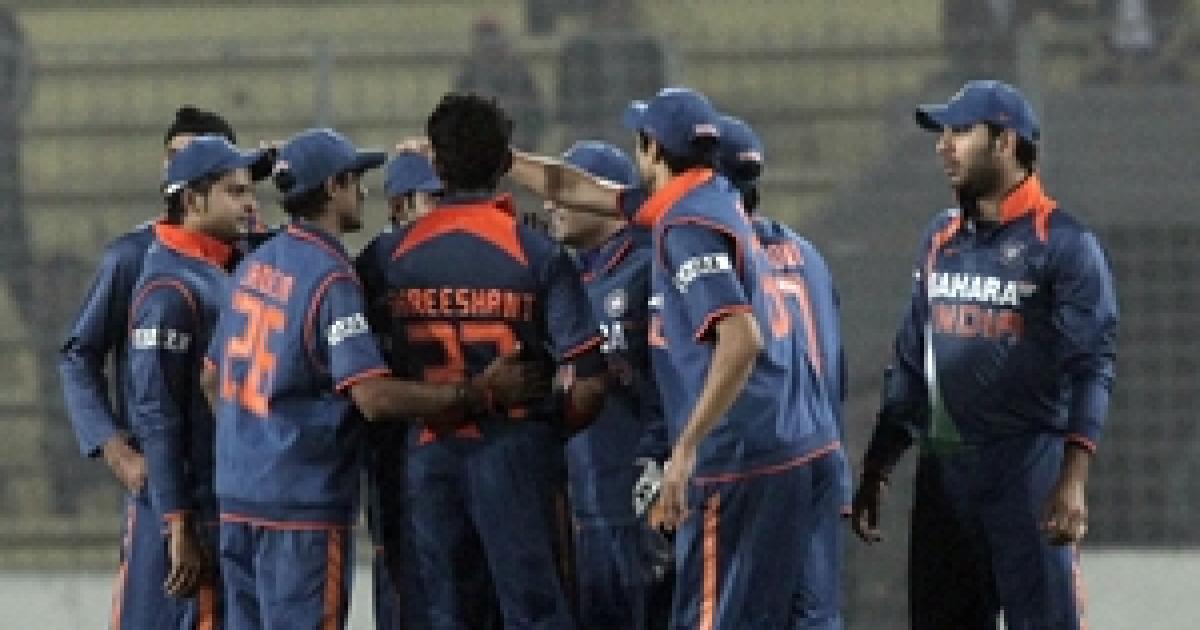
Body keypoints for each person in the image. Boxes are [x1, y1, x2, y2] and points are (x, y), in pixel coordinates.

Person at [202, 127, 547, 630]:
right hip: (300, 505)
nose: (364, 191)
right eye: (355, 179)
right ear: (333, 186)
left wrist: (254, 444)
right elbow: (372, 396)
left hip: (237, 496)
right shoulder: (331, 276)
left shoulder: (254, 264)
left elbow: (212, 380)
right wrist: (479, 392)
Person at [851, 80, 1119, 630]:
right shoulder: (940, 237)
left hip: (1028, 472)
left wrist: (1073, 479)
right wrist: (879, 462)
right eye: (942, 133)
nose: (943, 146)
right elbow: (911, 360)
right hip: (945, 477)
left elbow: (1091, 366)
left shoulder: (1063, 243)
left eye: (960, 132)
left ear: (1005, 141)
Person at [356, 93, 607, 629]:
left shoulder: (386, 258)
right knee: (534, 612)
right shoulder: (537, 255)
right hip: (516, 454)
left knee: (441, 614)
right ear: (502, 163)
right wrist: (545, 427)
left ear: (437, 163)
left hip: (427, 457)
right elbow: (590, 384)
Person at [58, 105, 238, 630]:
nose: (177, 168)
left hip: (229, 489)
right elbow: (78, 355)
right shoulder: (132, 257)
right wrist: (116, 451)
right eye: (172, 156)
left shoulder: (248, 255)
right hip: (162, 490)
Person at [128, 136, 274, 627]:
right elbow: (157, 414)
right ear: (193, 200)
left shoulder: (212, 269)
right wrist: (177, 523)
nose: (250, 203)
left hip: (224, 499)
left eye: (250, 190)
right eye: (235, 192)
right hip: (201, 509)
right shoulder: (169, 289)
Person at [716, 114, 848, 630]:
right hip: (822, 449)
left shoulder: (719, 258)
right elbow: (834, 368)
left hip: (762, 461)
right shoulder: (807, 255)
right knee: (814, 617)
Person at [546, 140, 666, 630]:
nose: (550, 204)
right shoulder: (563, 277)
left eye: (565, 192)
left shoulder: (651, 267)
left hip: (638, 496)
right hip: (582, 505)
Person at [454, 18, 547, 150]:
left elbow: (538, 112)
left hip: (518, 144)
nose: (491, 48)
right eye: (484, 43)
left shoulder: (519, 72)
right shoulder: (468, 75)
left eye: (494, 41)